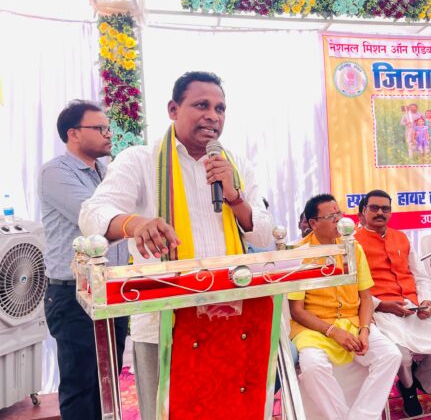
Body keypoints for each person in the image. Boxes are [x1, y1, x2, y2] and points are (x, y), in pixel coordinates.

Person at [79, 71, 274, 420]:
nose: (213, 116)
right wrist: (134, 223)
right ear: (173, 109)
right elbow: (92, 213)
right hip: (164, 324)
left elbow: (263, 234)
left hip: (231, 317)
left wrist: (234, 196)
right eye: (201, 105)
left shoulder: (235, 165)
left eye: (220, 108)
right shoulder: (141, 160)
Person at [39, 100, 129, 420]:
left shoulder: (107, 172)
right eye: (100, 128)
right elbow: (94, 219)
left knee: (108, 383)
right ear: (73, 134)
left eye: (108, 128)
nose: (108, 134)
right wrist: (135, 223)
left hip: (113, 290)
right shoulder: (55, 172)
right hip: (74, 294)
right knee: (81, 386)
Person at [354, 190, 431, 417]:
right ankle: (408, 391)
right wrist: (381, 305)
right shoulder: (353, 244)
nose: (380, 212)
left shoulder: (402, 238)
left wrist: (426, 300)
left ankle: (422, 380)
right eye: (374, 208)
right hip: (381, 310)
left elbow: (421, 277)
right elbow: (353, 289)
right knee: (402, 355)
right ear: (363, 212)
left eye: (385, 209)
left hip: (414, 306)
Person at [289, 194, 401, 419]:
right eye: (331, 217)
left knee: (391, 355)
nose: (339, 221)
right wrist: (332, 331)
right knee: (312, 368)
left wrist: (365, 330)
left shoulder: (353, 247)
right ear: (313, 223)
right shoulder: (299, 254)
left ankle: (361, 416)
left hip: (352, 322)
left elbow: (366, 298)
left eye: (339, 214)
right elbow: (297, 311)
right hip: (314, 329)